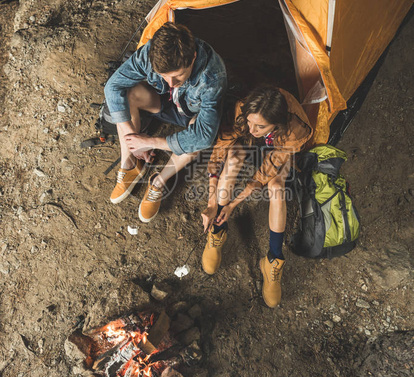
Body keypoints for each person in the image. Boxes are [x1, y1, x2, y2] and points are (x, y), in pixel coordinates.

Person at [201, 86, 313, 308]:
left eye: (260, 126)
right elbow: (222, 145)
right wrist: (212, 203)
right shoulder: (244, 110)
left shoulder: (295, 130)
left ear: (276, 124)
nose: (252, 129)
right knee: (232, 158)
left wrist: (234, 204)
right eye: (250, 123)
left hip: (276, 150)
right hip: (250, 148)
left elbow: (266, 171)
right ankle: (217, 230)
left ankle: (272, 259)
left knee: (277, 186)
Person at [104, 22, 227, 222]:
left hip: (189, 113)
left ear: (193, 57)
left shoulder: (213, 76)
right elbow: (113, 86)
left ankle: (158, 182)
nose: (171, 83)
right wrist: (132, 140)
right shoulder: (150, 53)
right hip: (162, 102)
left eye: (178, 75)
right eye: (163, 76)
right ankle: (130, 163)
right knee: (129, 94)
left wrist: (150, 142)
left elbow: (204, 137)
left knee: (196, 138)